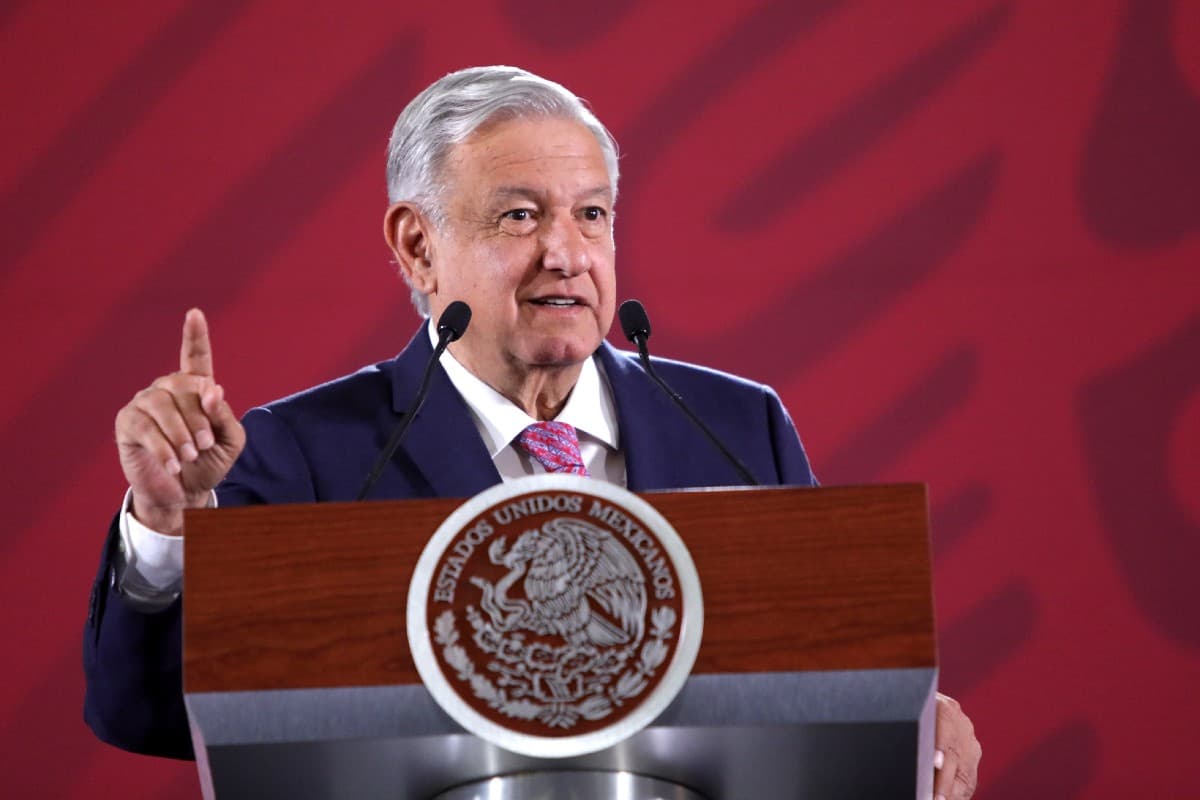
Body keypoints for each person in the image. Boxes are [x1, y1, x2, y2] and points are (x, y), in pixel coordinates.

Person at [83, 65, 980, 799]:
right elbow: (147, 713)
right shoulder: (305, 454)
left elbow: (820, 675)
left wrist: (908, 720)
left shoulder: (738, 428)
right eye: (520, 215)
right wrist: (167, 529)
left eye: (592, 214)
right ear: (418, 247)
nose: (568, 253)